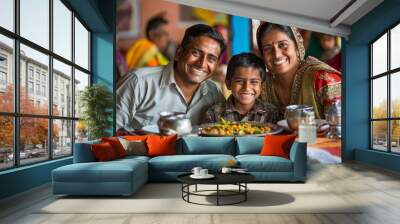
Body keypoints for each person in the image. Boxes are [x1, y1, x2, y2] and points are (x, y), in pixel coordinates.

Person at [117, 24, 226, 130]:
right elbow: (104, 131)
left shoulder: (214, 93)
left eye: (211, 59)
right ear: (179, 53)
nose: (202, 64)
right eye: (195, 53)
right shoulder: (138, 82)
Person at [256, 23, 341, 119]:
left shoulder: (323, 78)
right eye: (268, 48)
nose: (277, 55)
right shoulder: (262, 85)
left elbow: (341, 128)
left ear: (297, 46)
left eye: (282, 45)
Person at [204, 53, 280, 123]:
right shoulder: (213, 114)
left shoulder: (271, 113)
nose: (246, 87)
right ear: (228, 83)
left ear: (262, 86)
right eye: (239, 81)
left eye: (254, 82)